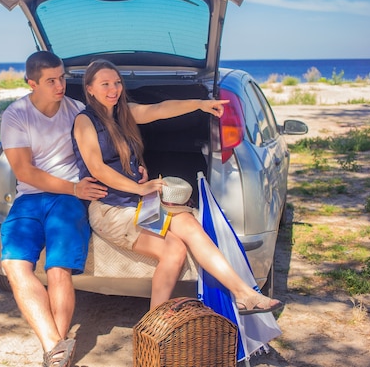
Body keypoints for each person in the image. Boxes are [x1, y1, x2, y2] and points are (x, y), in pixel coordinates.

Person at [72, 59, 284, 313]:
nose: (113, 89)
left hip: (136, 203)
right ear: (90, 89)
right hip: (110, 209)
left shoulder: (123, 113)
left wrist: (200, 105)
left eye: (117, 82)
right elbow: (97, 168)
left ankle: (243, 293)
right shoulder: (85, 121)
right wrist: (140, 188)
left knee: (190, 224)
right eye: (105, 84)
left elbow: (160, 109)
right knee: (174, 250)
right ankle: (154, 323)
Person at [0, 51, 108, 367]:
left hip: (66, 201)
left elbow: (115, 134)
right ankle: (55, 347)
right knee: (14, 266)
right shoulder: (16, 115)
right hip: (30, 199)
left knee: (57, 269)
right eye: (51, 80)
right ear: (32, 83)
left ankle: (55, 357)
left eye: (62, 77)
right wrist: (74, 186)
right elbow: (24, 172)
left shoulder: (77, 111)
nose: (61, 85)